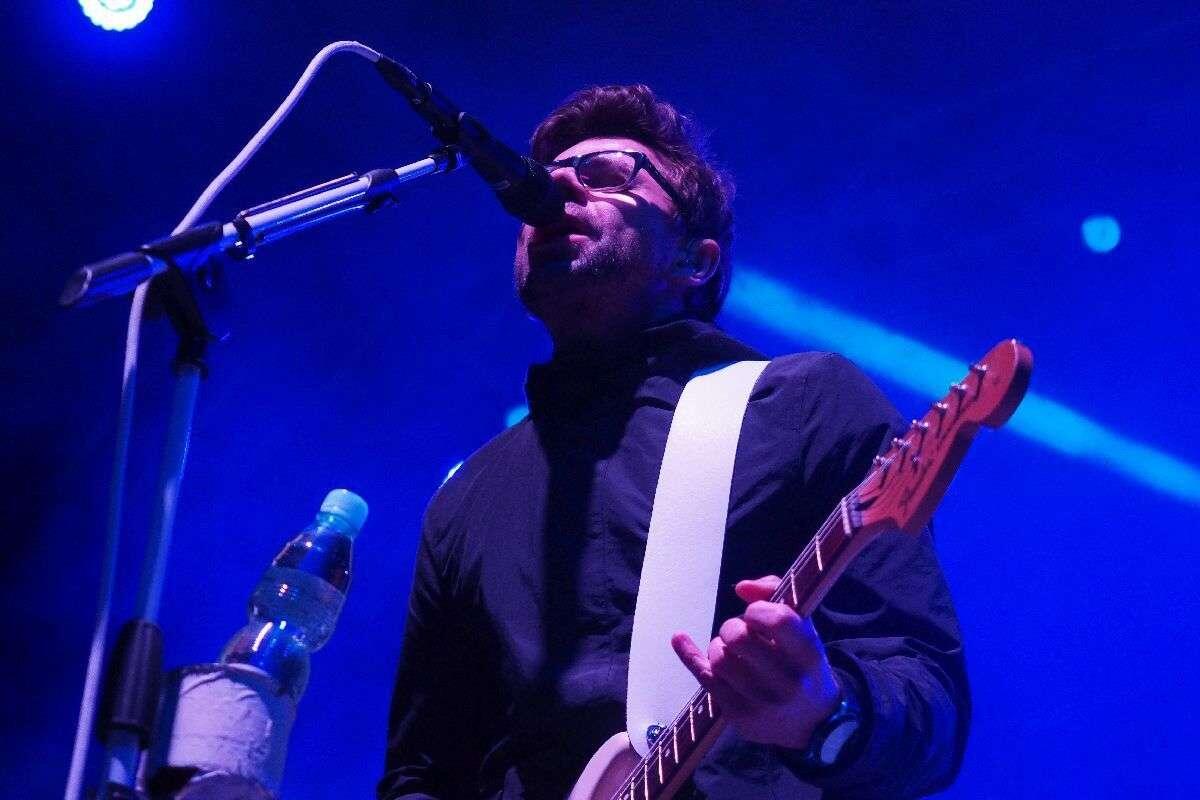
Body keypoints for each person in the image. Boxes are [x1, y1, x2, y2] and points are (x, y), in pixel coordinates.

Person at [378, 84, 969, 800]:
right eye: (547, 176)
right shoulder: (468, 497)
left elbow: (929, 703)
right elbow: (424, 772)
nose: (557, 188)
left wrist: (823, 714)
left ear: (694, 259)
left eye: (606, 174)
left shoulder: (804, 404)